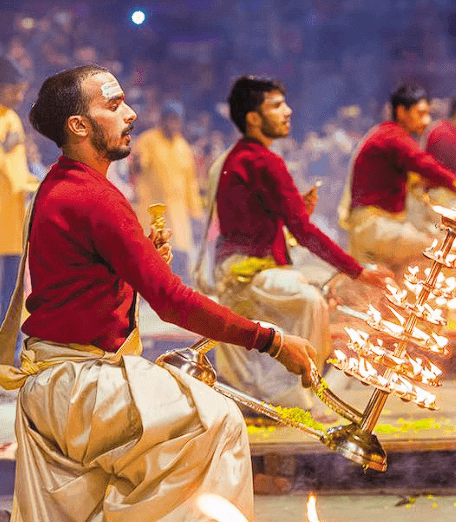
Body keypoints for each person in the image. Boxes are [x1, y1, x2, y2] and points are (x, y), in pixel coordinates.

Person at [0, 65, 316, 521]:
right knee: (220, 420)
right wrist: (271, 340)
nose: (130, 114)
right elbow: (172, 302)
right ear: (79, 126)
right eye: (113, 105)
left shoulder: (61, 182)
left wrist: (137, 260)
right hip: (80, 389)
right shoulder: (97, 198)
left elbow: (79, 282)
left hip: (58, 385)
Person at [212, 76, 391, 415]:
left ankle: (291, 386)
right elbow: (304, 232)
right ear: (253, 118)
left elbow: (268, 224)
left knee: (317, 293)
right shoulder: (262, 161)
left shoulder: (244, 157)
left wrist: (294, 215)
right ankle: (292, 393)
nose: (288, 111)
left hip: (246, 268)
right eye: (277, 105)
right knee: (311, 300)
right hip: (246, 275)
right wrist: (359, 271)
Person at [338, 83, 456, 272]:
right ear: (401, 111)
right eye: (420, 113)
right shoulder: (393, 137)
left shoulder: (390, 135)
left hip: (379, 227)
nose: (426, 120)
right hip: (374, 227)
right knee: (436, 251)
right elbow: (425, 165)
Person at [132, 101, 203, 283]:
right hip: (153, 212)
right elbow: (139, 167)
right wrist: (137, 163)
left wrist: (195, 212)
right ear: (161, 121)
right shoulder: (148, 141)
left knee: (179, 257)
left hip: (178, 215)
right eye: (169, 120)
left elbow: (190, 183)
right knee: (151, 255)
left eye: (176, 120)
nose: (173, 125)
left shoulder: (184, 148)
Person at [0, 56, 36, 359]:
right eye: (14, 89)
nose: (19, 96)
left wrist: (37, 183)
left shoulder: (11, 119)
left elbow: (18, 169)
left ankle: (7, 363)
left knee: (11, 301)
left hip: (13, 227)